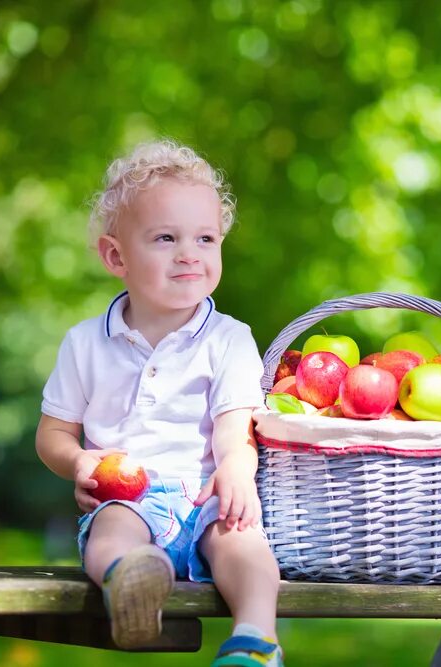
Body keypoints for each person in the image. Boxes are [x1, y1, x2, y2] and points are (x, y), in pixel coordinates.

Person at [35, 139, 283, 667]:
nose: (189, 252)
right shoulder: (85, 343)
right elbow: (53, 434)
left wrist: (237, 471)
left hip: (203, 496)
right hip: (128, 492)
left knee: (242, 542)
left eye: (206, 238)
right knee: (113, 529)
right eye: (166, 238)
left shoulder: (229, 338)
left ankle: (256, 639)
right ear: (116, 256)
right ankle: (131, 579)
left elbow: (234, 424)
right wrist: (79, 461)